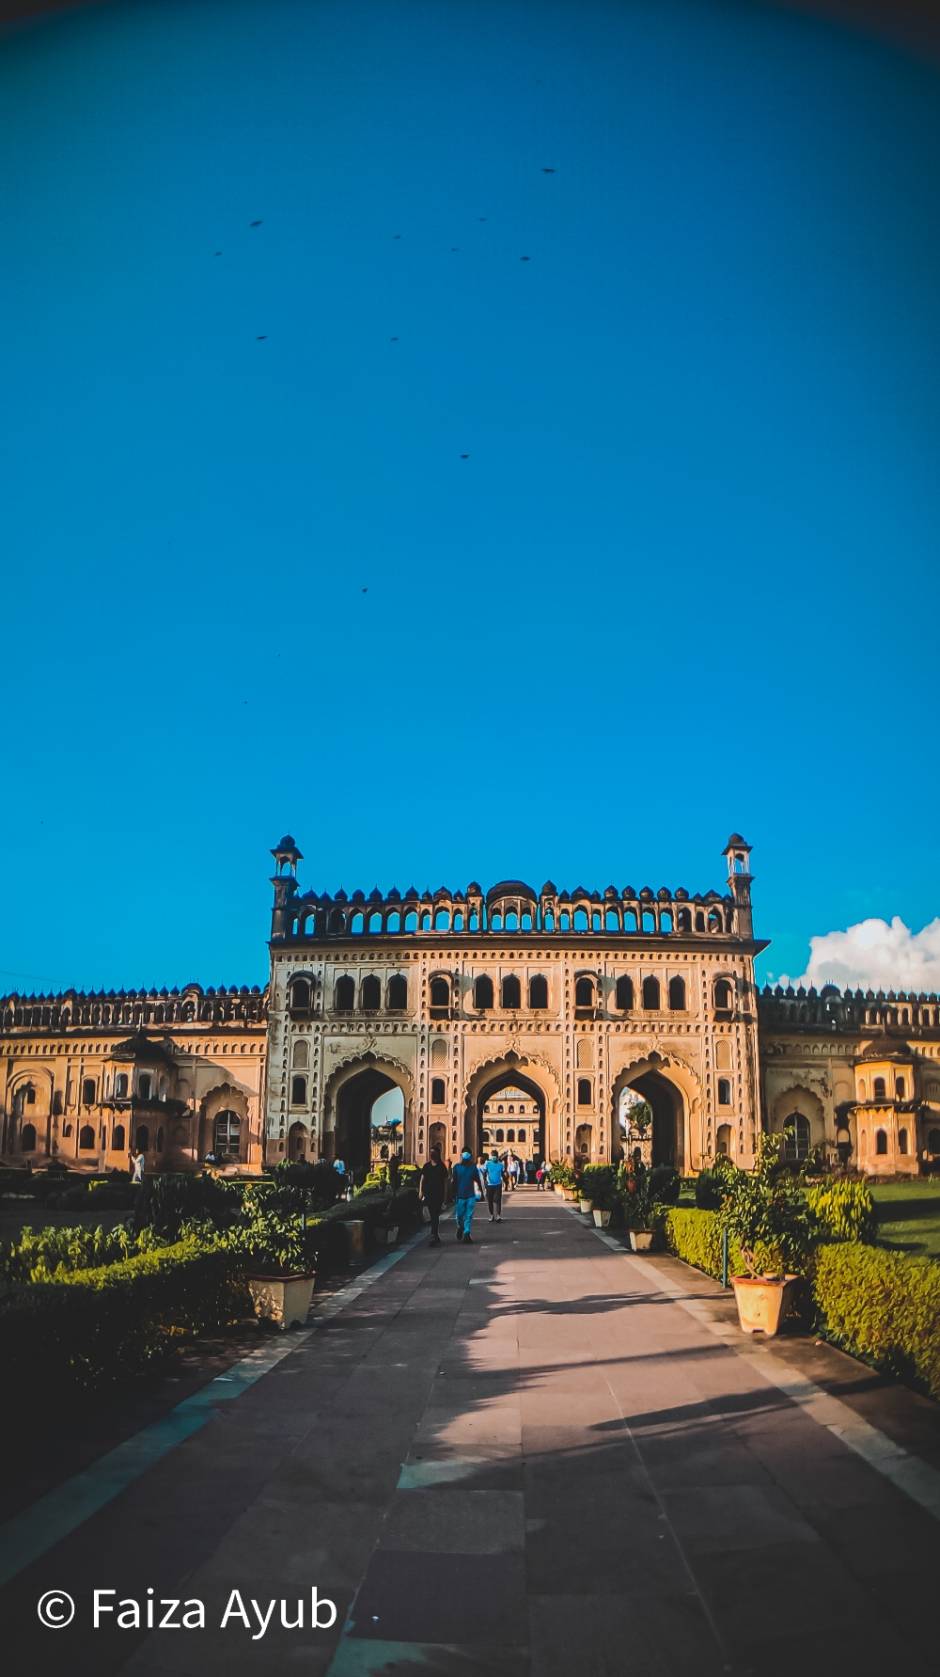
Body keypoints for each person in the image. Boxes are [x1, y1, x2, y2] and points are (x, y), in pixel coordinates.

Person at [419, 1145, 448, 1246]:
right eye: (431, 1152)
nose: (432, 1154)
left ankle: (434, 1234)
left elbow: (445, 1183)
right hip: (429, 1194)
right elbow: (422, 1180)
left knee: (435, 1215)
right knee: (433, 1215)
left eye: (434, 1152)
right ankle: (434, 1234)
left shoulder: (442, 1167)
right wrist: (421, 1192)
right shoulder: (426, 1166)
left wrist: (445, 1197)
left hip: (438, 1195)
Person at [452, 1148, 480, 1242]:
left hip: (470, 1195)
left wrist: (481, 1192)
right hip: (460, 1195)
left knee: (468, 1215)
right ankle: (460, 1227)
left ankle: (467, 1232)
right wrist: (452, 1193)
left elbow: (477, 1179)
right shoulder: (456, 1167)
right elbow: (454, 1181)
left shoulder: (473, 1167)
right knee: (459, 1215)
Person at [484, 1149, 505, 1221]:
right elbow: (484, 1173)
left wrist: (506, 1182)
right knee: (490, 1201)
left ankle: (498, 1216)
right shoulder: (487, 1163)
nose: (494, 1157)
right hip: (489, 1185)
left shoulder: (500, 1164)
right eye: (492, 1156)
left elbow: (502, 1174)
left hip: (498, 1184)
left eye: (495, 1156)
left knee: (498, 1200)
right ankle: (491, 1215)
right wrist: (485, 1182)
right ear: (491, 1156)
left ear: (497, 1156)